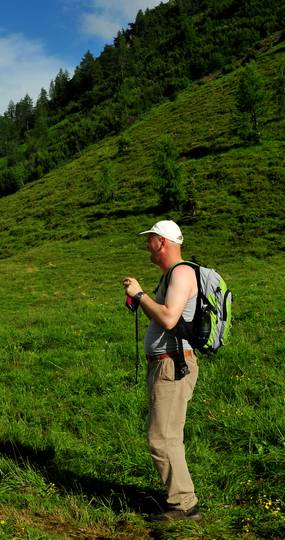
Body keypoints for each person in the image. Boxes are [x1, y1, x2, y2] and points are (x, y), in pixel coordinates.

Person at [119, 220, 207, 519]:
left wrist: (141, 295)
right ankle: (179, 498)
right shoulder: (173, 275)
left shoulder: (181, 273)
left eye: (150, 240)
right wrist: (141, 300)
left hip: (173, 364)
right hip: (167, 363)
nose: (147, 246)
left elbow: (169, 319)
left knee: (162, 438)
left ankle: (184, 505)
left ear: (161, 242)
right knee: (166, 435)